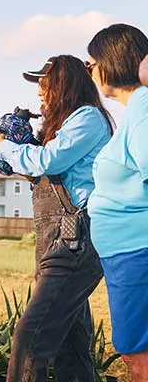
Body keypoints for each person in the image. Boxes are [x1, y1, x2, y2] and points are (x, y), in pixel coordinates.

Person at [0, 55, 113, 382]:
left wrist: (3, 147)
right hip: (55, 242)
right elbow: (41, 164)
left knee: (30, 338)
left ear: (65, 84)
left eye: (45, 83)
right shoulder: (62, 128)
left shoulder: (88, 118)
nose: (40, 92)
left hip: (74, 242)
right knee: (72, 348)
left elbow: (48, 161)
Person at [86, 23, 148, 381]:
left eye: (91, 63)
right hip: (128, 253)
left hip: (136, 253)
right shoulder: (135, 112)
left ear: (111, 61)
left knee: (138, 355)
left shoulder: (142, 109)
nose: (91, 72)